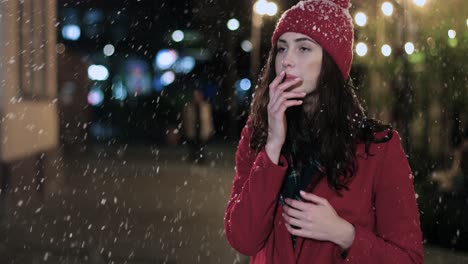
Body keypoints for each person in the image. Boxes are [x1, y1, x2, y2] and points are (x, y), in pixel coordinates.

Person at [224, 0, 424, 263]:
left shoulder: (376, 148)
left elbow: (409, 259)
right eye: (282, 48)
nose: (287, 61)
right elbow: (244, 239)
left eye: (304, 48)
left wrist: (346, 235)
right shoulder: (258, 135)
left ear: (331, 62)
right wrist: (273, 146)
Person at [182, 89, 214, 164]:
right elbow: (186, 119)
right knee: (193, 145)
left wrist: (210, 130)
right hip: (193, 129)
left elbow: (209, 119)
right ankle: (194, 158)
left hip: (202, 129)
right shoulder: (189, 106)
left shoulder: (206, 106)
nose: (197, 98)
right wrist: (185, 128)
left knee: (201, 145)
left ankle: (200, 159)